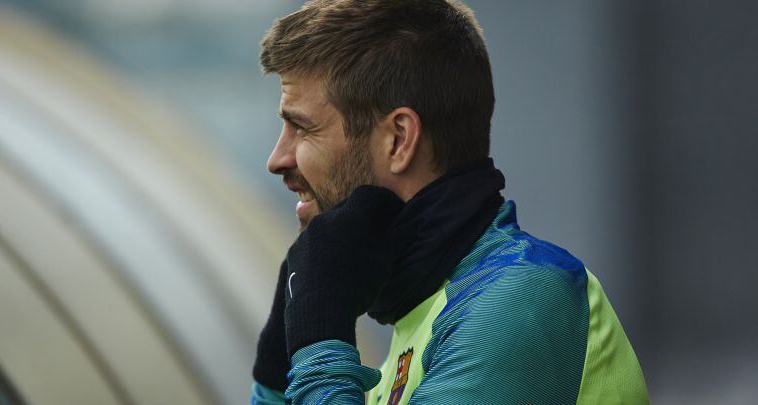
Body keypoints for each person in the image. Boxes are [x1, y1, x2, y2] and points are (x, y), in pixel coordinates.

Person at [250, 1, 649, 404]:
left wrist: (318, 337)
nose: (277, 159)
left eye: (301, 127)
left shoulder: (521, 300)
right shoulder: (422, 316)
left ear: (399, 140)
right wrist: (275, 371)